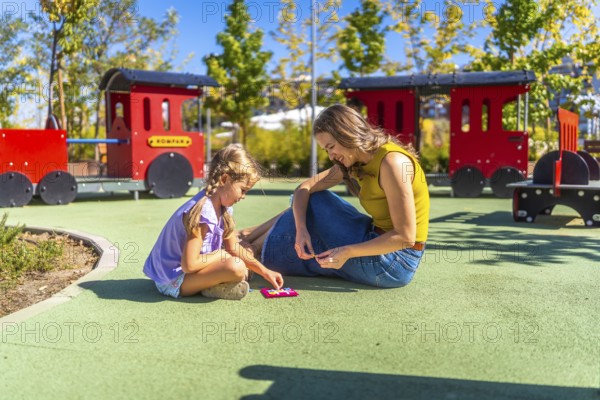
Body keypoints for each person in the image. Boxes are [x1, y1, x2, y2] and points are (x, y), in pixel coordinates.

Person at [243, 104, 429, 288]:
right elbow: (304, 188)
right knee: (314, 202)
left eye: (331, 147)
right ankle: (248, 242)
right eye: (326, 150)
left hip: (395, 262)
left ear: (347, 134)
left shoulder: (392, 163)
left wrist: (347, 252)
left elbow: (405, 237)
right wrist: (302, 230)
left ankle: (249, 247)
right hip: (372, 237)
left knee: (301, 239)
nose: (331, 156)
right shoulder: (356, 160)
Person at [143, 144, 284, 300]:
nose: (243, 196)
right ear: (224, 179)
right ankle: (211, 286)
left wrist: (265, 272)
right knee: (236, 267)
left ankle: (213, 285)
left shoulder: (224, 208)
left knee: (241, 263)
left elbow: (234, 247)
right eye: (243, 190)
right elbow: (189, 265)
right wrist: (220, 254)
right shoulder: (203, 213)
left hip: (194, 270)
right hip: (172, 280)